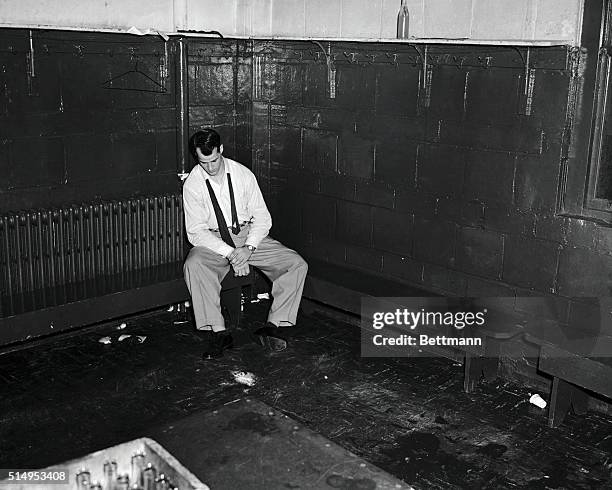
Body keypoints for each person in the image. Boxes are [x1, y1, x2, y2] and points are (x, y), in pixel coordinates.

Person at [182, 129, 308, 359]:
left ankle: (273, 326)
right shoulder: (193, 183)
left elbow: (262, 218)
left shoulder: (243, 175)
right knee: (194, 264)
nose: (210, 168)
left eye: (214, 161)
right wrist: (232, 254)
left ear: (221, 150)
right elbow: (196, 232)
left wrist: (248, 249)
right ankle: (219, 333)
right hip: (215, 241)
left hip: (247, 235)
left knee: (295, 263)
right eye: (203, 162)